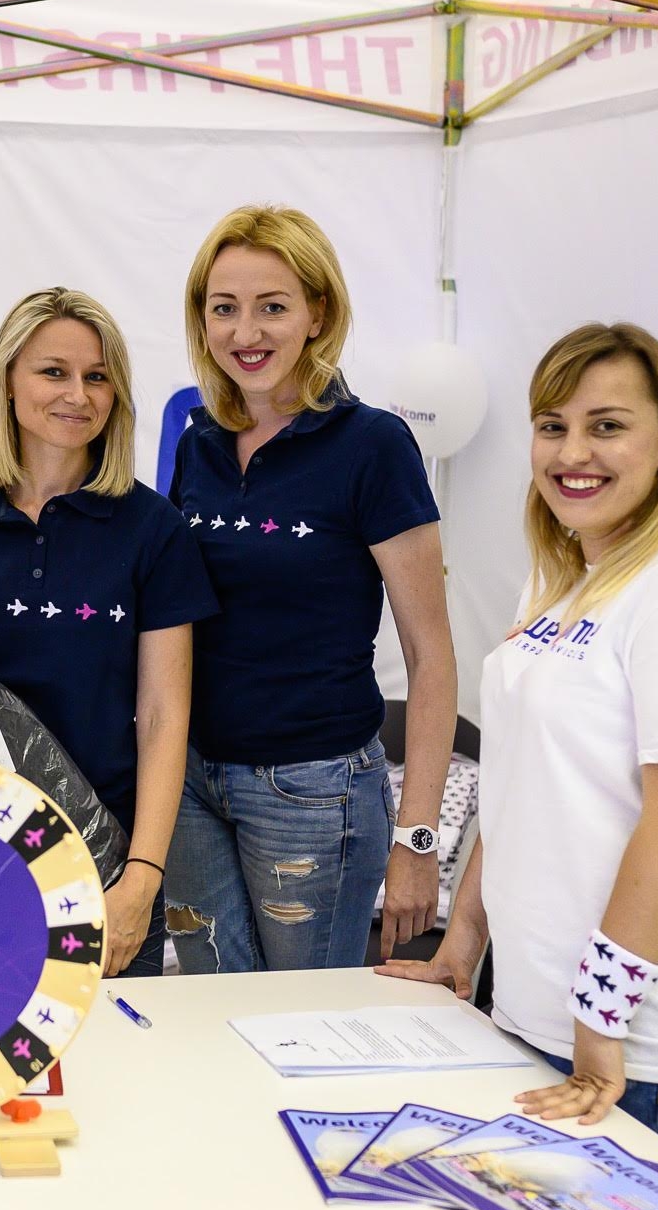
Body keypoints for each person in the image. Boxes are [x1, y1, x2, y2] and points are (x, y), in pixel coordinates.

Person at [379, 322, 658, 1177]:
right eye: (553, 426)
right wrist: (462, 947)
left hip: (647, 1058)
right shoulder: (562, 581)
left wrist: (599, 1018)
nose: (573, 452)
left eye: (607, 425)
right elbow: (520, 789)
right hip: (534, 1024)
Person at [0, 287, 218, 977]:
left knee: (117, 1043)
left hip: (107, 861)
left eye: (97, 376)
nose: (78, 394)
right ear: (9, 381)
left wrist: (142, 878)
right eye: (54, 372)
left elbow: (164, 716)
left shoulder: (152, 529)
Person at [163, 205, 457, 973]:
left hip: (312, 792)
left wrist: (417, 836)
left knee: (302, 1020)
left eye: (272, 306)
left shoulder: (373, 445)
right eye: (224, 308)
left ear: (317, 313)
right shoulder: (198, 444)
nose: (245, 332)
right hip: (190, 783)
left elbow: (430, 654)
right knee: (210, 1013)